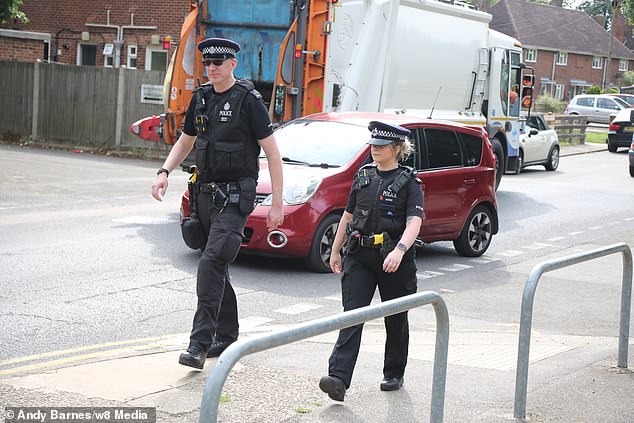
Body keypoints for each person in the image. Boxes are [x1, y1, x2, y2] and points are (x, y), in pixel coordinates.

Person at [151, 37, 284, 369]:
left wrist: (278, 204)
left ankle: (199, 343)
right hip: (206, 195)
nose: (211, 68)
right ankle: (228, 334)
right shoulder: (201, 99)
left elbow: (273, 154)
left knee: (210, 263)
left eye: (218, 63)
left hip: (236, 198)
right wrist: (164, 170)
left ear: (232, 64)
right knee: (217, 267)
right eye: (207, 63)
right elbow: (186, 140)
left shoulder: (248, 101)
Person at [319, 121, 424, 401]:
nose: (375, 150)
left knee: (396, 318)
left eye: (381, 146)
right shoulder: (364, 176)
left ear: (397, 149)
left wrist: (400, 250)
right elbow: (348, 215)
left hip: (394, 260)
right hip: (360, 257)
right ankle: (338, 378)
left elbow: (415, 222)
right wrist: (335, 249)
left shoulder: (410, 183)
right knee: (353, 315)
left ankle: (393, 372)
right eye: (373, 146)